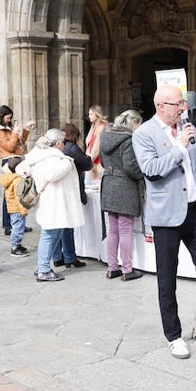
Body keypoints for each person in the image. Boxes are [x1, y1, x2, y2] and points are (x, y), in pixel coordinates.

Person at [133, 84, 196, 358]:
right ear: (160, 106)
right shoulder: (144, 134)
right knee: (167, 279)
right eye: (177, 103)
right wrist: (178, 147)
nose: (183, 107)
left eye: (183, 102)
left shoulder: (190, 129)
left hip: (194, 212)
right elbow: (152, 171)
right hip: (166, 217)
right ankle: (173, 335)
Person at [23, 129, 85, 281]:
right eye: (63, 142)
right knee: (49, 235)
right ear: (57, 143)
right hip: (52, 201)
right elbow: (52, 174)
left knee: (55, 234)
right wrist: (67, 162)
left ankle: (42, 266)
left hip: (54, 201)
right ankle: (43, 269)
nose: (64, 145)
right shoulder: (52, 157)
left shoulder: (40, 154)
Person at [99, 109, 145, 281]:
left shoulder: (105, 137)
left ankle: (112, 268)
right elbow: (130, 167)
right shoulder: (128, 140)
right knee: (126, 230)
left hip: (109, 184)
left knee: (113, 229)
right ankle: (127, 269)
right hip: (124, 186)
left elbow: (103, 162)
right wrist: (144, 173)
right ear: (133, 123)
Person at [0, 105, 35, 236]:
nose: (9, 119)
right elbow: (10, 146)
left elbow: (19, 141)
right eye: (7, 117)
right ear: (1, 116)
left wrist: (26, 129)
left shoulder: (8, 127)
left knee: (20, 192)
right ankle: (8, 224)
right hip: (9, 161)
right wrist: (15, 132)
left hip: (18, 160)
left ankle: (19, 223)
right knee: (10, 194)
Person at [55, 123, 92, 269]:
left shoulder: (57, 149)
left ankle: (57, 257)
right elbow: (87, 163)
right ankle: (70, 257)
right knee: (67, 225)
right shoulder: (71, 148)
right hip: (69, 189)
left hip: (58, 189)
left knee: (58, 224)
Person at [0, 156, 30, 256]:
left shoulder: (9, 177)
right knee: (18, 228)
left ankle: (17, 244)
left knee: (16, 226)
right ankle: (15, 247)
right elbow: (19, 198)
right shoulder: (17, 180)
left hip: (12, 207)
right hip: (17, 209)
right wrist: (24, 210)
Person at [84, 105, 108, 181]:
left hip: (98, 162)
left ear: (97, 114)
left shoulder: (102, 127)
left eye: (91, 114)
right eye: (89, 114)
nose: (89, 116)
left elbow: (97, 147)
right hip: (91, 160)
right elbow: (89, 144)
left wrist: (88, 162)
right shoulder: (94, 126)